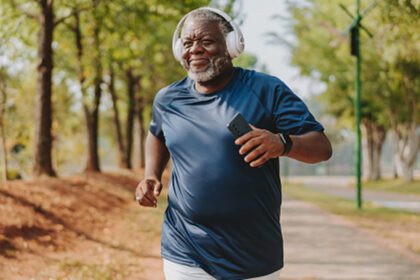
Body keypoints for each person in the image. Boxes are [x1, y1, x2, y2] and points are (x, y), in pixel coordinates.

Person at [135, 6, 332, 280]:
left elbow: (321, 147)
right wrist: (150, 175)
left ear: (231, 45)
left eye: (206, 41)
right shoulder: (168, 99)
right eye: (188, 43)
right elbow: (157, 134)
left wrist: (282, 143)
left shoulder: (267, 90)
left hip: (252, 255)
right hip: (185, 250)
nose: (196, 50)